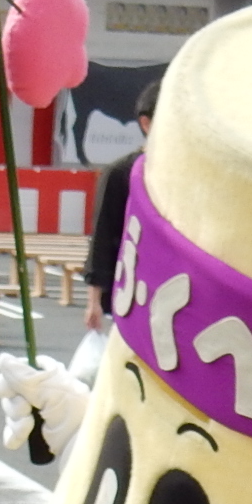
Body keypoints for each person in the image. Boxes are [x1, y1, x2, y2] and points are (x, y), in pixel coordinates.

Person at [83, 77, 162, 330]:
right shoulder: (120, 174)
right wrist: (94, 300)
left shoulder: (189, 175)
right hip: (128, 293)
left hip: (175, 295)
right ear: (146, 123)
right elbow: (103, 238)